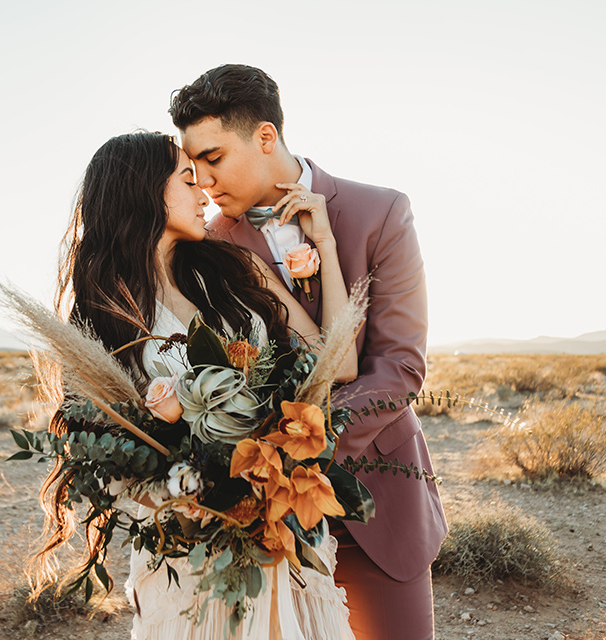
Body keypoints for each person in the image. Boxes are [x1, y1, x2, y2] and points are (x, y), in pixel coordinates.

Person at [28, 131, 358, 639]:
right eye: (187, 178)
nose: (204, 190)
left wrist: (327, 245)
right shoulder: (102, 322)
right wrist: (201, 495)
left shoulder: (232, 272)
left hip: (276, 532)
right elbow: (106, 455)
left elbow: (335, 363)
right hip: (190, 551)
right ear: (146, 192)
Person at [169, 64, 448, 640]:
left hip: (377, 494)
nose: (202, 181)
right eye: (191, 166)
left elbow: (399, 365)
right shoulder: (210, 245)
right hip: (264, 519)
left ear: (265, 137)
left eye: (214, 158)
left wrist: (304, 459)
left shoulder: (381, 213)